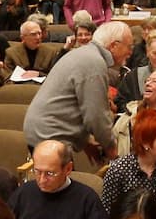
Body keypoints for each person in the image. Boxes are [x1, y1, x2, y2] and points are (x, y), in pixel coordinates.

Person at [23, 21, 132, 159]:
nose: (130, 53)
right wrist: (111, 148)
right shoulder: (94, 62)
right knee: (60, 180)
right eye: (129, 47)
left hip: (43, 130)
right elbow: (96, 116)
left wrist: (84, 141)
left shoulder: (85, 54)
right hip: (50, 136)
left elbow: (71, 105)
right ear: (114, 45)